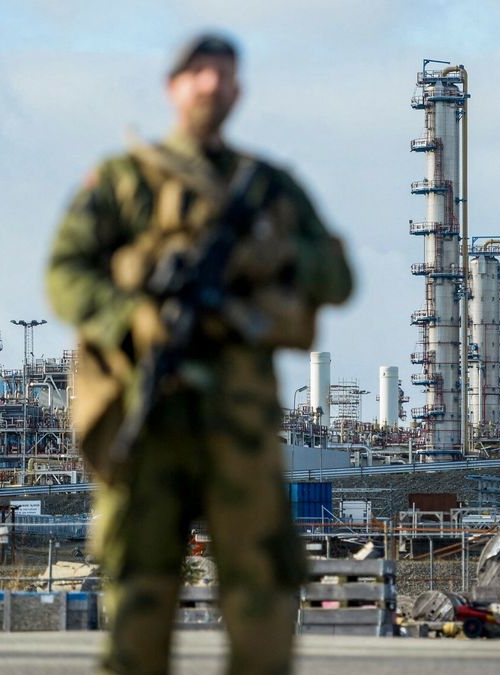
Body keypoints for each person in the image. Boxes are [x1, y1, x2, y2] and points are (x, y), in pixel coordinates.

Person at [46, 32, 353, 675]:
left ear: (238, 90)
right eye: (198, 73)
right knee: (138, 592)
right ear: (173, 87)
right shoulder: (127, 182)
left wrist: (276, 255)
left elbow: (337, 275)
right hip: (149, 414)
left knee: (263, 590)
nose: (211, 85)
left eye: (224, 74)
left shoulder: (268, 189)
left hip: (237, 426)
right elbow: (65, 272)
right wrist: (134, 318)